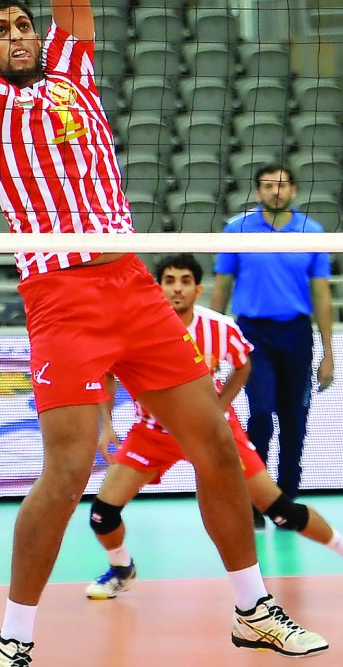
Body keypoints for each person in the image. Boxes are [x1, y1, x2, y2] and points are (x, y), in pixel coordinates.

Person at [0, 0, 328, 663]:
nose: (17, 34)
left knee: (213, 442)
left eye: (23, 24)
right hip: (60, 295)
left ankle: (251, 609)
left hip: (132, 285)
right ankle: (15, 636)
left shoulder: (72, 69)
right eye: (2, 30)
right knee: (66, 471)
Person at [86, 252, 343, 600]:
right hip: (153, 433)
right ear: (157, 287)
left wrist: (219, 408)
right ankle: (121, 568)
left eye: (185, 281)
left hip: (214, 431)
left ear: (198, 289)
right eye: (169, 281)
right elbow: (107, 373)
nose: (177, 289)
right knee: (102, 514)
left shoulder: (218, 327)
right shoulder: (133, 328)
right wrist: (106, 426)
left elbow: (243, 364)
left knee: (282, 512)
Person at [211, 162, 334, 513]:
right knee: (261, 414)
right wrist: (217, 343)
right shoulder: (237, 230)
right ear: (257, 192)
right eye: (267, 186)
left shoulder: (312, 231)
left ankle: (286, 499)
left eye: (281, 185)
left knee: (294, 419)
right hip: (253, 336)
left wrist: (329, 353)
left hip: (296, 333)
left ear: (293, 191)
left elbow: (322, 295)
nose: (275, 191)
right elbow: (221, 288)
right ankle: (257, 497)